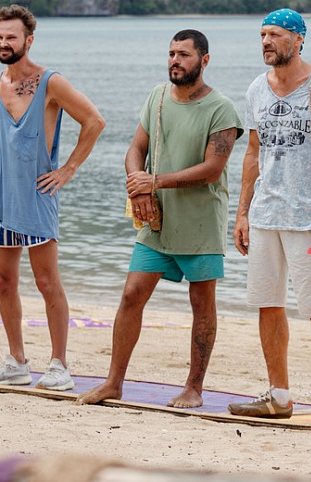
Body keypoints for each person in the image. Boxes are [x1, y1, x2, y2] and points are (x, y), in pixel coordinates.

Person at [76, 29, 243, 408]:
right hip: (156, 221)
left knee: (201, 303)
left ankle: (194, 388)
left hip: (201, 221)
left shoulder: (223, 109)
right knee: (132, 294)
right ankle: (113, 382)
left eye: (184, 54)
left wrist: (156, 181)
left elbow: (213, 169)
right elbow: (136, 148)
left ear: (204, 60)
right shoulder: (157, 97)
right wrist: (139, 187)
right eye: (171, 53)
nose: (175, 61)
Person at [0, 4, 106, 390]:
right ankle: (16, 361)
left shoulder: (51, 83)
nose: (3, 43)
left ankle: (59, 365)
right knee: (5, 283)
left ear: (28, 40)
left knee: (48, 283)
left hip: (37, 198)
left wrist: (67, 169)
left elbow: (95, 121)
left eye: (11, 37)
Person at [229, 8, 311, 426]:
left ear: (298, 39)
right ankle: (279, 395)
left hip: (309, 217)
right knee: (268, 304)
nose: (266, 41)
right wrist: (242, 213)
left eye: (275, 35)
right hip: (265, 214)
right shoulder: (255, 90)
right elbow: (252, 153)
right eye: (262, 34)